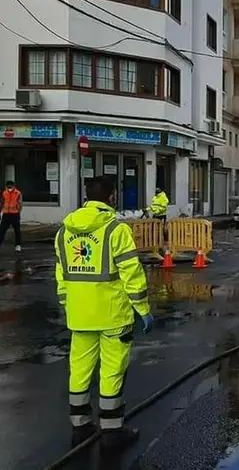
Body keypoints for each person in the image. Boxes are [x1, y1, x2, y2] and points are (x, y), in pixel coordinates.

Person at [55, 176, 154, 449]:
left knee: (79, 369)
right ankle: (111, 431)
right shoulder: (115, 230)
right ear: (111, 197)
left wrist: (68, 304)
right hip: (112, 315)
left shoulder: (64, 231)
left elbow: (61, 274)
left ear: (86, 197)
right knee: (111, 370)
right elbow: (131, 273)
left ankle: (80, 427)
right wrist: (142, 309)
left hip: (79, 315)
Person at [0, 180, 23, 252]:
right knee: (2, 231)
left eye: (11, 186)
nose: (9, 188)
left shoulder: (18, 193)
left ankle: (18, 245)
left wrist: (18, 211)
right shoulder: (4, 193)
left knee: (17, 230)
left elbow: (20, 203)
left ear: (13, 186)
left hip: (15, 214)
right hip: (6, 214)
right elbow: (2, 203)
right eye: (8, 186)